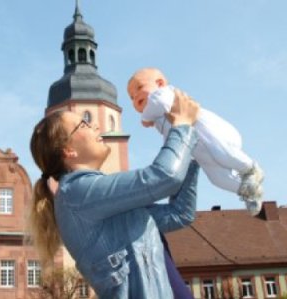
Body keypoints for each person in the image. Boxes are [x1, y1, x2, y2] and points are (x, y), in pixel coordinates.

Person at [29, 90, 200, 298]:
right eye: (83, 123)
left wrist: (190, 156)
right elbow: (165, 176)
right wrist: (182, 126)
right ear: (68, 150)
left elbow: (179, 213)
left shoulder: (97, 198)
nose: (95, 125)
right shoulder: (76, 192)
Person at [127, 67, 264, 216]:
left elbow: (157, 103)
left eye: (139, 88)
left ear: (160, 84)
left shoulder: (164, 94)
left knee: (222, 153)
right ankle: (248, 191)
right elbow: (172, 138)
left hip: (209, 132)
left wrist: (145, 119)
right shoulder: (159, 118)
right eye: (132, 97)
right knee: (216, 178)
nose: (136, 97)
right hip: (199, 150)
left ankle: (251, 168)